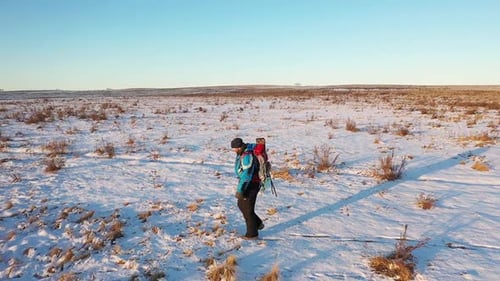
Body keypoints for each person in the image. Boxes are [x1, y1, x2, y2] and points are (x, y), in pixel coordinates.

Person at [231, 137, 264, 239]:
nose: (234, 151)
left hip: (251, 184)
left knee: (247, 209)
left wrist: (240, 190)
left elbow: (246, 175)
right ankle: (257, 223)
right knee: (241, 205)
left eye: (235, 148)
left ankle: (252, 234)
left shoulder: (247, 156)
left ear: (240, 147)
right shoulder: (243, 152)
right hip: (249, 183)